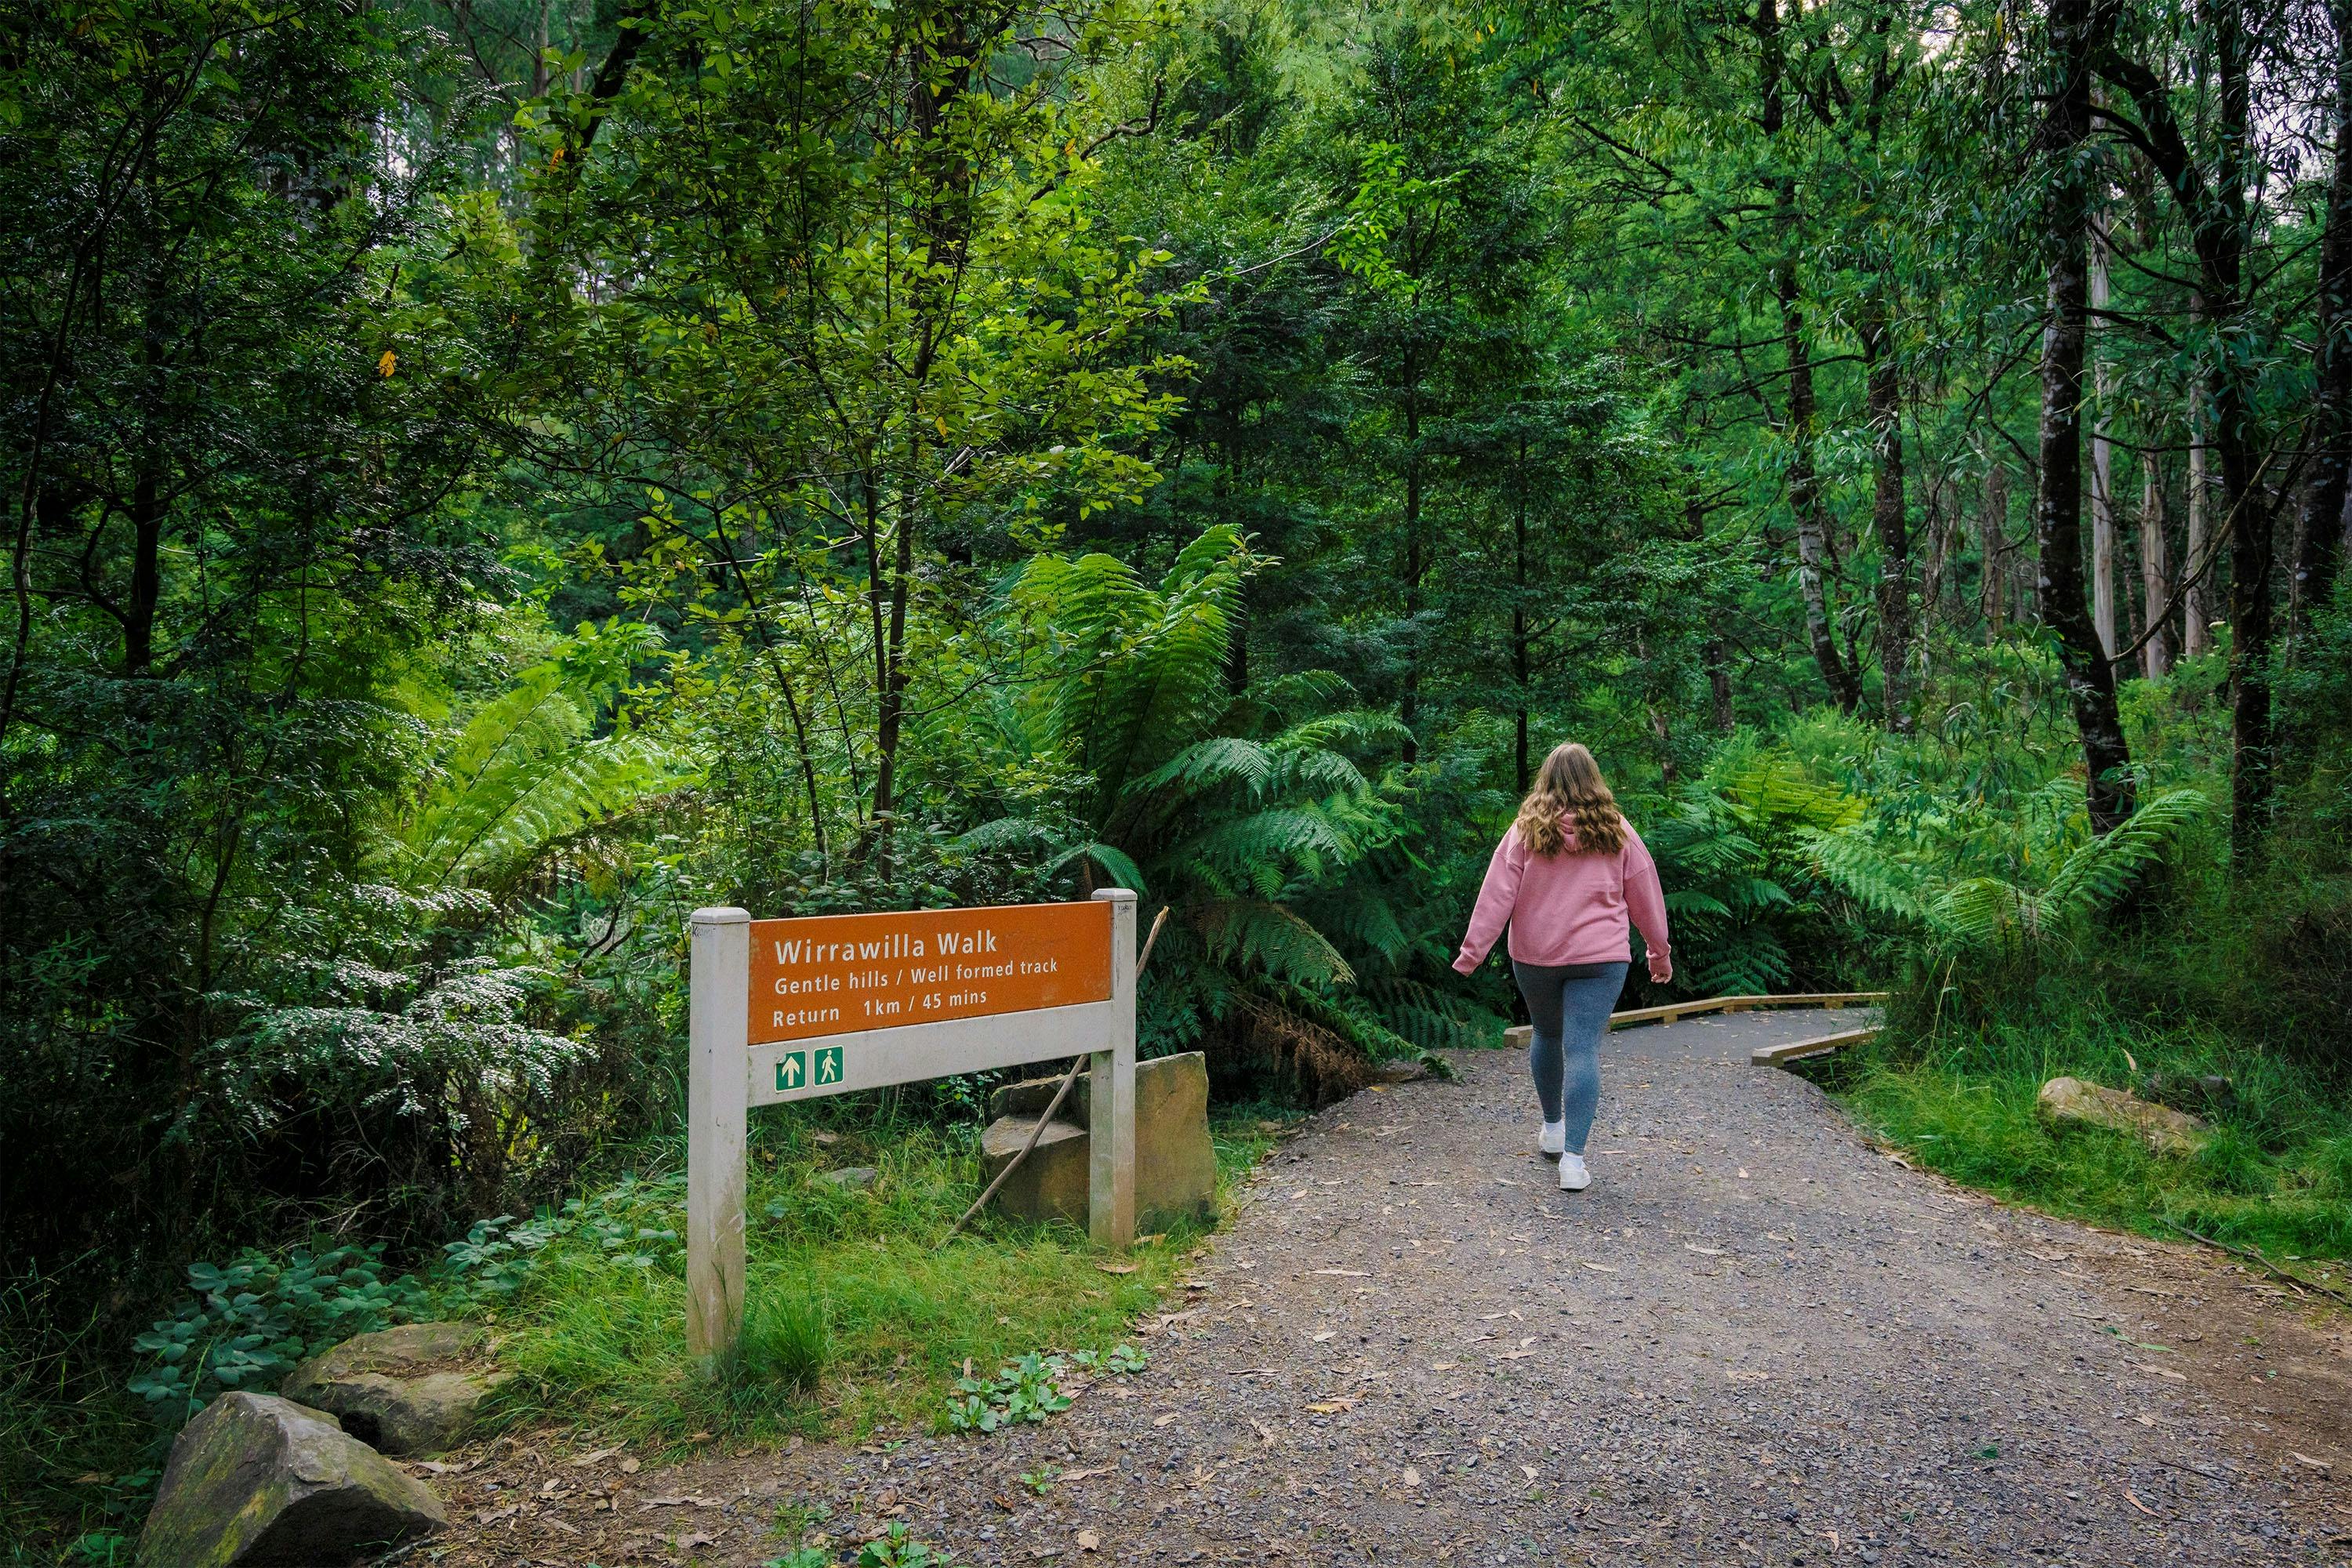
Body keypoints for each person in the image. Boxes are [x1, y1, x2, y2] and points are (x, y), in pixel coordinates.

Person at [1451, 742, 1671, 1192]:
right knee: (1582, 1048)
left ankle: (1553, 1127)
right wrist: (1658, 951)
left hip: (1537, 957)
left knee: (1547, 1035)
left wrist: (1472, 953)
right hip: (1601, 958)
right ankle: (1573, 1161)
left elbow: (1496, 896)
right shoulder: (1617, 832)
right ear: (1594, 779)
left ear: (1545, 780)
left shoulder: (1524, 832)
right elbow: (1645, 894)